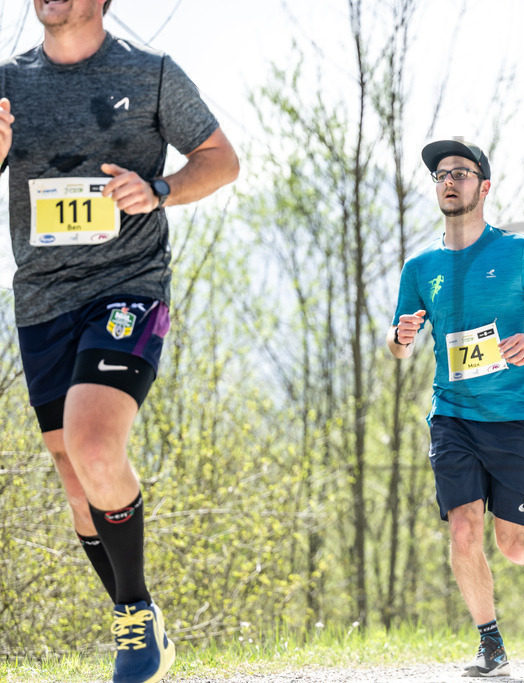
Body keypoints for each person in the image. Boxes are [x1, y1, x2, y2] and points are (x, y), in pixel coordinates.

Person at [0, 1, 239, 681]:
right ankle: (142, 619)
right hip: (44, 301)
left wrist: (159, 187)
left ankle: (134, 620)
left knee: (96, 442)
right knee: (76, 476)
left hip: (128, 288)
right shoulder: (6, 85)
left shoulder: (153, 74)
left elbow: (221, 160)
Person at [387, 139, 524, 677]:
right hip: (453, 416)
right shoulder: (420, 268)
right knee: (465, 531)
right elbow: (401, 346)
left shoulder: (516, 253)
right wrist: (400, 338)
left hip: (515, 417)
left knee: (513, 546)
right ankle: (490, 642)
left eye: (462, 173)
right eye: (441, 174)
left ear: (483, 187)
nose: (449, 180)